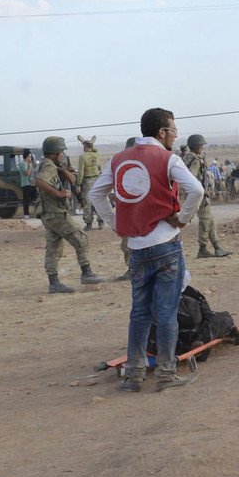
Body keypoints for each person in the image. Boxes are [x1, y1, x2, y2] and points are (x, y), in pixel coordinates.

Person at [89, 108, 205, 393]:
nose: (175, 135)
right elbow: (197, 190)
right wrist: (183, 219)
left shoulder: (119, 159)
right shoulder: (168, 158)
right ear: (162, 132)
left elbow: (95, 194)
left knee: (139, 313)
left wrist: (118, 222)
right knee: (165, 313)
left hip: (136, 247)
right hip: (166, 243)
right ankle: (166, 374)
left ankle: (134, 376)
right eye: (173, 130)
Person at [34, 136, 108, 293]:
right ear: (55, 152)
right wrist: (60, 193)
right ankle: (86, 273)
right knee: (81, 239)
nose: (62, 154)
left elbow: (71, 179)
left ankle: (53, 282)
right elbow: (40, 182)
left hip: (48, 214)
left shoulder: (49, 165)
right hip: (56, 213)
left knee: (53, 247)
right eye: (61, 151)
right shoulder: (48, 166)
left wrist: (63, 171)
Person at [182, 134, 231, 259]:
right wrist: (203, 191)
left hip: (193, 194)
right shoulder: (196, 160)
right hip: (199, 195)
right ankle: (203, 249)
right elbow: (191, 177)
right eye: (201, 145)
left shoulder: (187, 158)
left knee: (210, 220)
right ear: (197, 146)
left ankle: (217, 247)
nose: (202, 148)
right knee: (206, 220)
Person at [76, 137, 105, 228]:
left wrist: (78, 184)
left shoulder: (82, 157)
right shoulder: (96, 155)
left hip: (87, 181)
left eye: (83, 146)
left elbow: (81, 172)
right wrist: (89, 144)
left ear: (85, 147)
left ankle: (89, 223)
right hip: (97, 180)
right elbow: (95, 150)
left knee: (87, 202)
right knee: (98, 200)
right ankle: (101, 222)